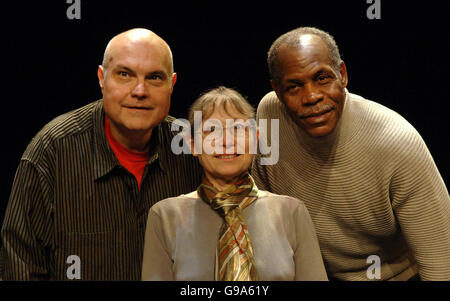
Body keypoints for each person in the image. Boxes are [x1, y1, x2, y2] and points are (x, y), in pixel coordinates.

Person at [1, 28, 203, 280]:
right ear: (101, 78)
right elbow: (20, 269)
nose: (140, 90)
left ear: (171, 85)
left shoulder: (193, 151)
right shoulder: (52, 152)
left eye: (154, 77)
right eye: (125, 74)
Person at [252, 27, 450, 281]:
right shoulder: (270, 114)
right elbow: (262, 213)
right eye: (294, 86)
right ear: (278, 92)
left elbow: (442, 264)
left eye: (322, 78)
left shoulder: (396, 142)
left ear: (342, 75)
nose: (312, 96)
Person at [141, 86, 327, 281]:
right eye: (212, 130)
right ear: (192, 144)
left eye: (238, 129)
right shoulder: (164, 217)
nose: (227, 141)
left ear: (255, 139)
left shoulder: (291, 212)